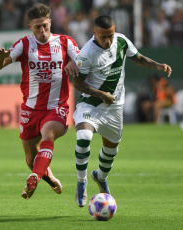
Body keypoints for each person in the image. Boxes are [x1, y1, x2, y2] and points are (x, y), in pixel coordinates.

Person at [72, 15, 172, 207]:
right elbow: (77, 83)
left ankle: (100, 178)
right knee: (84, 136)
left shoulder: (121, 41)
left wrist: (158, 65)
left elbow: (139, 58)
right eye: (103, 37)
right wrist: (101, 94)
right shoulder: (87, 53)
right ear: (94, 33)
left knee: (111, 150)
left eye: (110, 35)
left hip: (114, 107)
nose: (108, 40)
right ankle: (81, 183)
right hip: (91, 104)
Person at [0, 3, 79, 200]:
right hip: (30, 109)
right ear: (30, 26)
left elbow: (83, 62)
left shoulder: (65, 42)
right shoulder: (24, 44)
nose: (42, 31)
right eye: (37, 27)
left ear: (50, 22)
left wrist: (75, 62)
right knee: (31, 158)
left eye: (45, 25)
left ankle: (35, 177)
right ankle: (46, 176)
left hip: (57, 107)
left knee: (48, 134)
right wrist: (1, 60)